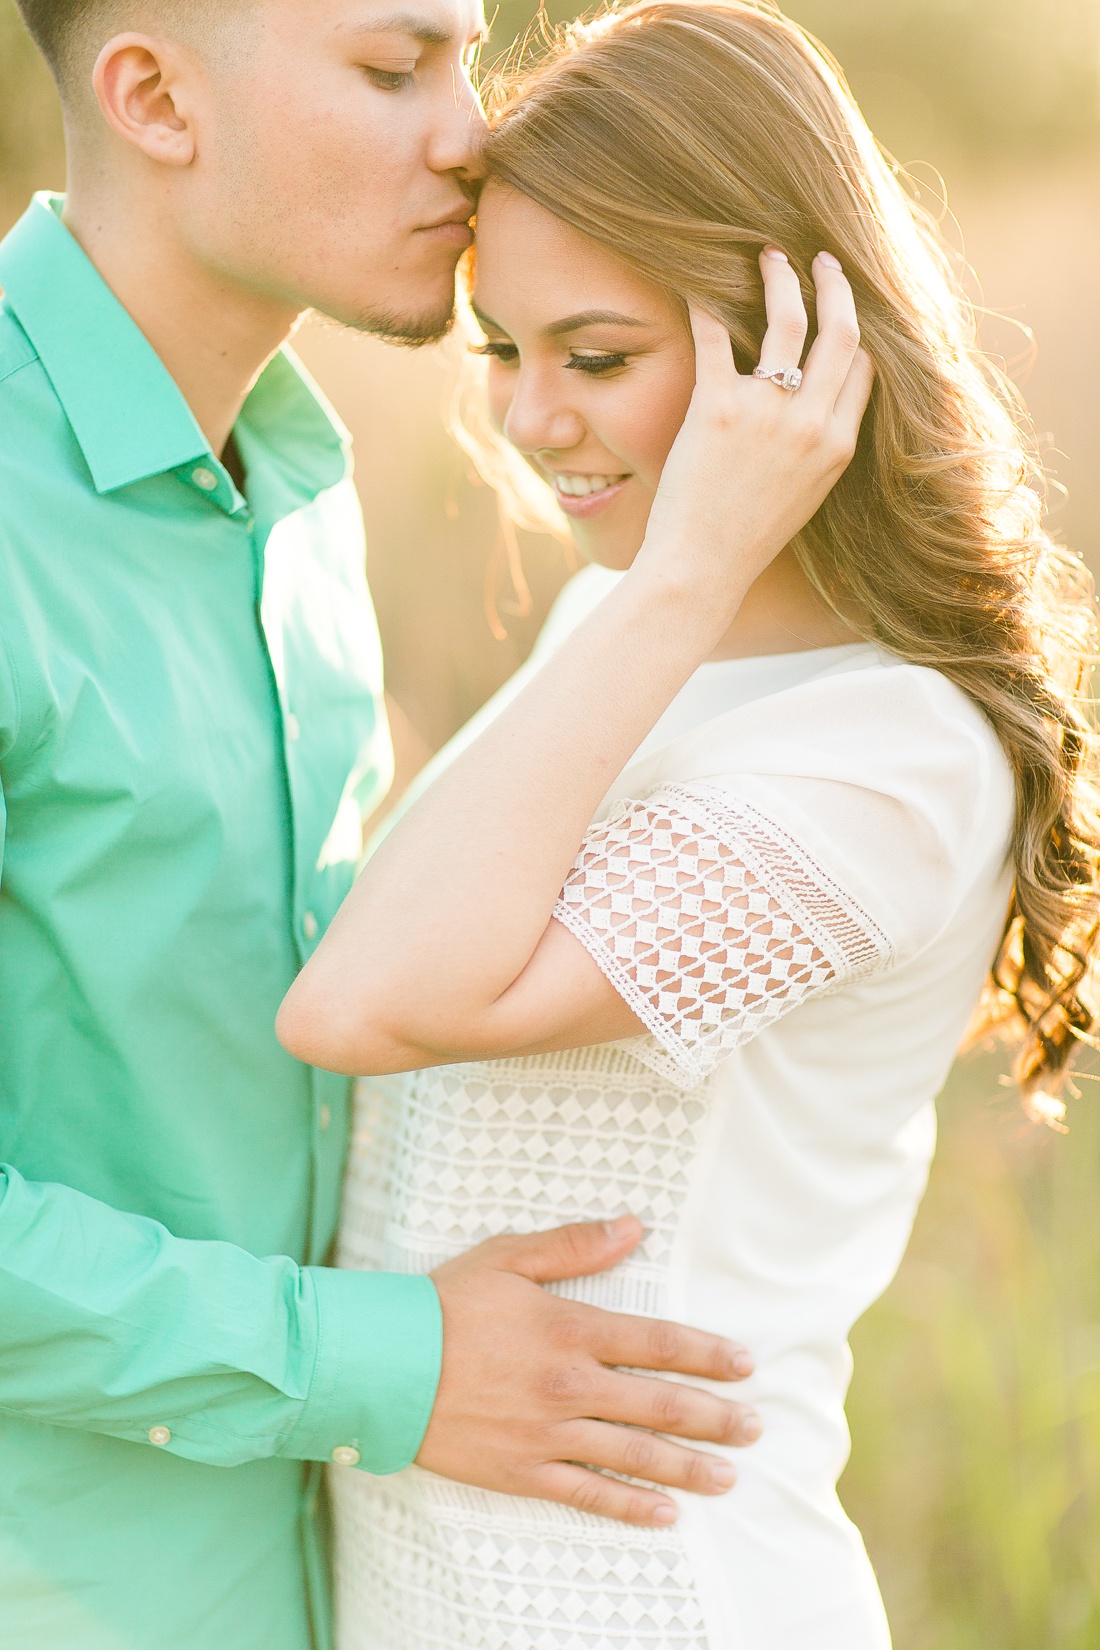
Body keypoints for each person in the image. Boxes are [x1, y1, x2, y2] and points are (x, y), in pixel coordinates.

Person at [277, 3, 1100, 1646]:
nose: (529, 423)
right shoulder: (621, 634)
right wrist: (664, 600)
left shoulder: (891, 756)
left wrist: (680, 579)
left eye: (596, 357)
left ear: (792, 347)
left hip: (656, 1600)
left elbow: (361, 1003)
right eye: (503, 354)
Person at [0, 3, 792, 1647]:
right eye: (393, 68)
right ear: (154, 96)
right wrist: (386, 1363)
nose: (468, 131)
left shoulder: (294, 474)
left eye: (466, 58)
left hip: (331, 1580)